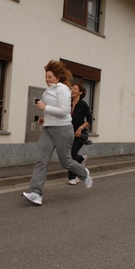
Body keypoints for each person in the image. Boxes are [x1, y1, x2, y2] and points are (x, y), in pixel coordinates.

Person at [22, 60, 93, 206]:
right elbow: (51, 111)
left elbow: (64, 111)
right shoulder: (48, 90)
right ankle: (36, 193)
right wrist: (44, 119)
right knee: (42, 160)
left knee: (65, 162)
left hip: (63, 130)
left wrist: (45, 107)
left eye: (50, 76)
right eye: (46, 76)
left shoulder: (62, 89)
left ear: (58, 77)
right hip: (48, 130)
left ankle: (84, 174)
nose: (47, 79)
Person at [68, 83, 92, 185]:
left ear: (80, 92)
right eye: (72, 88)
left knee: (72, 155)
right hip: (68, 133)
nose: (72, 90)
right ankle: (81, 158)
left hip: (79, 135)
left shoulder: (83, 105)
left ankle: (73, 177)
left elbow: (89, 120)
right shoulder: (67, 103)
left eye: (75, 89)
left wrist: (80, 128)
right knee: (68, 155)